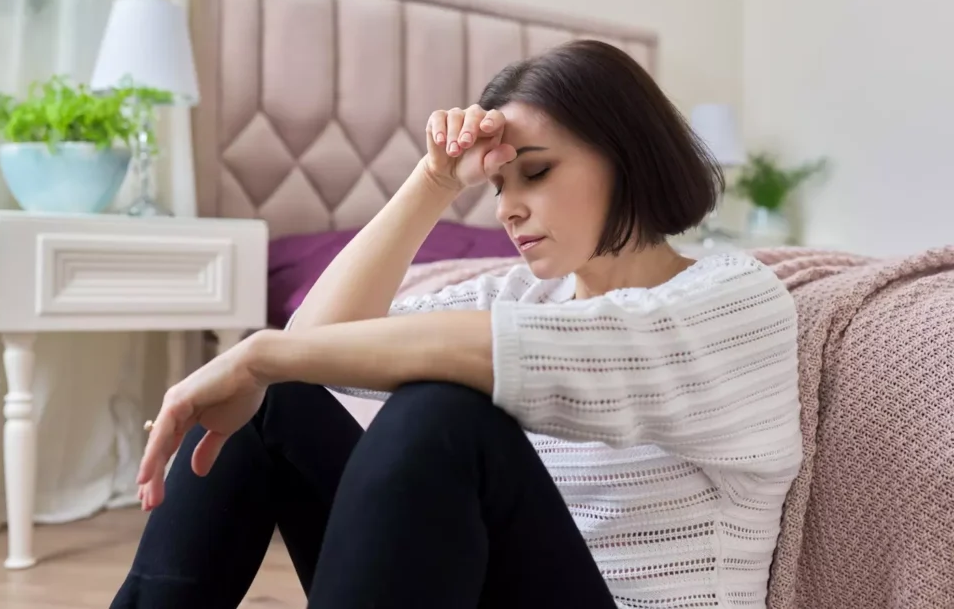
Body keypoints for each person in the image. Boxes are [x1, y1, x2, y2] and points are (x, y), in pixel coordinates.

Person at [111, 39, 803, 609]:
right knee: (275, 401)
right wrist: (434, 181)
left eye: (534, 172)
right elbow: (309, 354)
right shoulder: (516, 293)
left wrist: (258, 354)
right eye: (499, 184)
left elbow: (526, 356)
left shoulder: (736, 297)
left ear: (626, 159)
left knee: (438, 413)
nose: (506, 209)